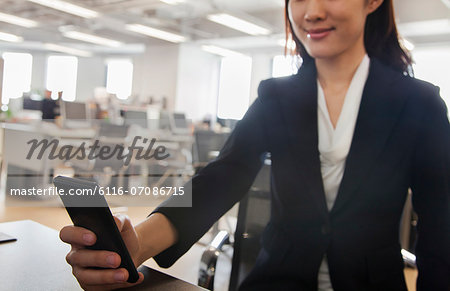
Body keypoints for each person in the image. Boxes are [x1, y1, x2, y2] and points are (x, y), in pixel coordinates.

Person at [59, 0, 450, 290]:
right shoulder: (276, 96)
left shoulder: (419, 103)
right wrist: (136, 243)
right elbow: (224, 175)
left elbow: (440, 224)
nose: (310, 12)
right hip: (276, 282)